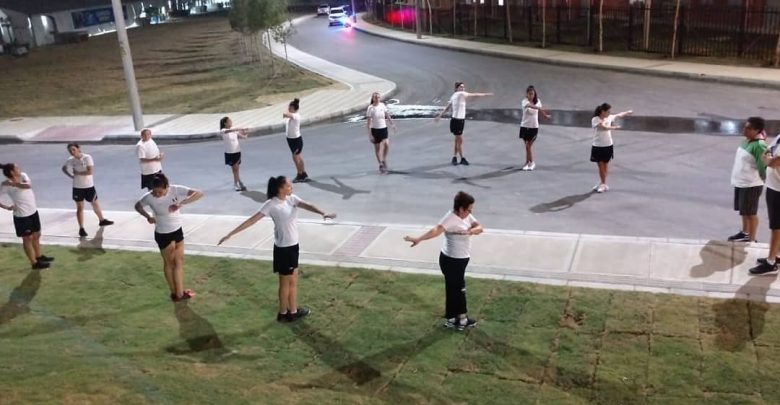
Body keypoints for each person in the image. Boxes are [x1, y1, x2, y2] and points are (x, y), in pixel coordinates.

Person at [218, 176, 336, 322]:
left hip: (293, 246)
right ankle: (283, 313)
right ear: (280, 188)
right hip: (284, 249)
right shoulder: (271, 204)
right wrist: (230, 234)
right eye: (288, 185)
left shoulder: (291, 199)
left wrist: (322, 213)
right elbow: (252, 220)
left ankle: (292, 311)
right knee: (285, 283)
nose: (291, 186)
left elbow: (307, 205)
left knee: (292, 281)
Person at [403, 191, 483, 331]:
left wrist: (470, 231)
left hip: (460, 259)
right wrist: (419, 239)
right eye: (469, 209)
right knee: (459, 289)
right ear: (461, 208)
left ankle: (452, 318)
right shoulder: (451, 218)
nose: (470, 212)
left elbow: (480, 228)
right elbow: (436, 230)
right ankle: (462, 320)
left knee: (454, 289)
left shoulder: (466, 216)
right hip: (452, 260)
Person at [134, 173, 203, 301]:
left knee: (179, 262)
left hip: (177, 231)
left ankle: (180, 293)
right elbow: (138, 206)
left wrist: (181, 203)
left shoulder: (175, 190)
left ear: (167, 187)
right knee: (169, 263)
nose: (157, 194)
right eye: (154, 192)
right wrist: (148, 216)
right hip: (162, 234)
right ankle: (174, 293)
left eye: (160, 192)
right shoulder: (149, 197)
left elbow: (199, 193)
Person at [0, 163, 53, 269]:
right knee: (27, 238)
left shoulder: (23, 175)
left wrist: (14, 184)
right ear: (12, 172)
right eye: (17, 168)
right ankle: (34, 263)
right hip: (22, 216)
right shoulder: (5, 185)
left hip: (33, 211)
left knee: (37, 234)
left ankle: (39, 256)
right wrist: (7, 207)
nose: (19, 169)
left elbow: (28, 185)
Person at [61, 143, 114, 238]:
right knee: (80, 208)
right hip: (77, 187)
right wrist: (71, 176)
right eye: (70, 150)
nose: (72, 152)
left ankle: (101, 220)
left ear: (78, 149)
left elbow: (90, 171)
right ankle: (81, 228)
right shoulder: (71, 160)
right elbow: (64, 168)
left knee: (95, 203)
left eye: (73, 149)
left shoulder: (87, 157)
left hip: (89, 186)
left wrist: (77, 173)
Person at [728, 117, 767, 243]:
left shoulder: (759, 145)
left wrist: (764, 179)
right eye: (745, 127)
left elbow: (763, 166)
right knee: (743, 210)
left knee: (751, 213)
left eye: (749, 128)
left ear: (757, 130)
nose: (745, 130)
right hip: (741, 182)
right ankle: (745, 232)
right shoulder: (746, 141)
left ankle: (751, 238)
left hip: (751, 184)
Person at [435, 82, 493, 166]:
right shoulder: (461, 94)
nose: (463, 89)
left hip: (455, 120)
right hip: (458, 120)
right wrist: (486, 94)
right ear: (457, 88)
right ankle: (462, 158)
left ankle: (454, 157)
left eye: (463, 87)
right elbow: (475, 95)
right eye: (461, 87)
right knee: (460, 140)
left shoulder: (453, 95)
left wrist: (439, 116)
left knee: (457, 140)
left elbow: (447, 108)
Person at [751, 131, 780, 275]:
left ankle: (771, 262)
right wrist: (768, 159)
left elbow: (773, 162)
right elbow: (766, 152)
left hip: (779, 190)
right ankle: (777, 255)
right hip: (774, 187)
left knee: (776, 227)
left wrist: (769, 160)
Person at [590, 103, 632, 193]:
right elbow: (603, 127)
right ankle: (603, 183)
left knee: (605, 164)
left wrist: (627, 112)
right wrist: (614, 127)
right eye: (608, 112)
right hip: (597, 145)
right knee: (600, 165)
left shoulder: (609, 117)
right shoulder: (595, 119)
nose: (609, 113)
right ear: (603, 111)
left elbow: (619, 115)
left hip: (608, 145)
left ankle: (603, 183)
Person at [519, 85, 551, 171]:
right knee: (527, 146)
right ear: (527, 94)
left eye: (532, 94)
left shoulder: (538, 101)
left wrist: (545, 115)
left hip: (534, 127)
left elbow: (540, 110)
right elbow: (530, 106)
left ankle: (532, 162)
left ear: (534, 94)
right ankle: (527, 163)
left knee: (528, 145)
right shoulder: (524, 102)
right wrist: (538, 107)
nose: (530, 96)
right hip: (525, 126)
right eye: (529, 94)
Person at [366, 92, 395, 173]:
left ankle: (384, 159)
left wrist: (392, 124)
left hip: (383, 128)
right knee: (377, 148)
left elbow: (387, 115)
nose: (377, 99)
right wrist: (370, 135)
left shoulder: (382, 105)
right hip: (375, 129)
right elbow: (368, 123)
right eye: (375, 97)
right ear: (373, 98)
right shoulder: (370, 108)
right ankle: (380, 164)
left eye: (378, 97)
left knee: (386, 144)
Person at [283, 98, 309, 183]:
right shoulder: (291, 115)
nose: (288, 109)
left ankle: (299, 174)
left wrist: (286, 113)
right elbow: (286, 115)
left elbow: (286, 114)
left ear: (294, 108)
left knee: (295, 157)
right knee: (298, 157)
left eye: (290, 108)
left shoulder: (296, 116)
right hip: (290, 140)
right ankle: (303, 174)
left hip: (296, 140)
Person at [220, 117, 248, 191]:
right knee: (235, 169)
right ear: (225, 123)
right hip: (229, 153)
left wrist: (245, 133)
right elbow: (230, 130)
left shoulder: (234, 130)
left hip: (237, 151)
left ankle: (237, 183)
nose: (231, 122)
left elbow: (244, 137)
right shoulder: (223, 130)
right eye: (229, 121)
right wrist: (238, 128)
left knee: (236, 169)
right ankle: (238, 183)